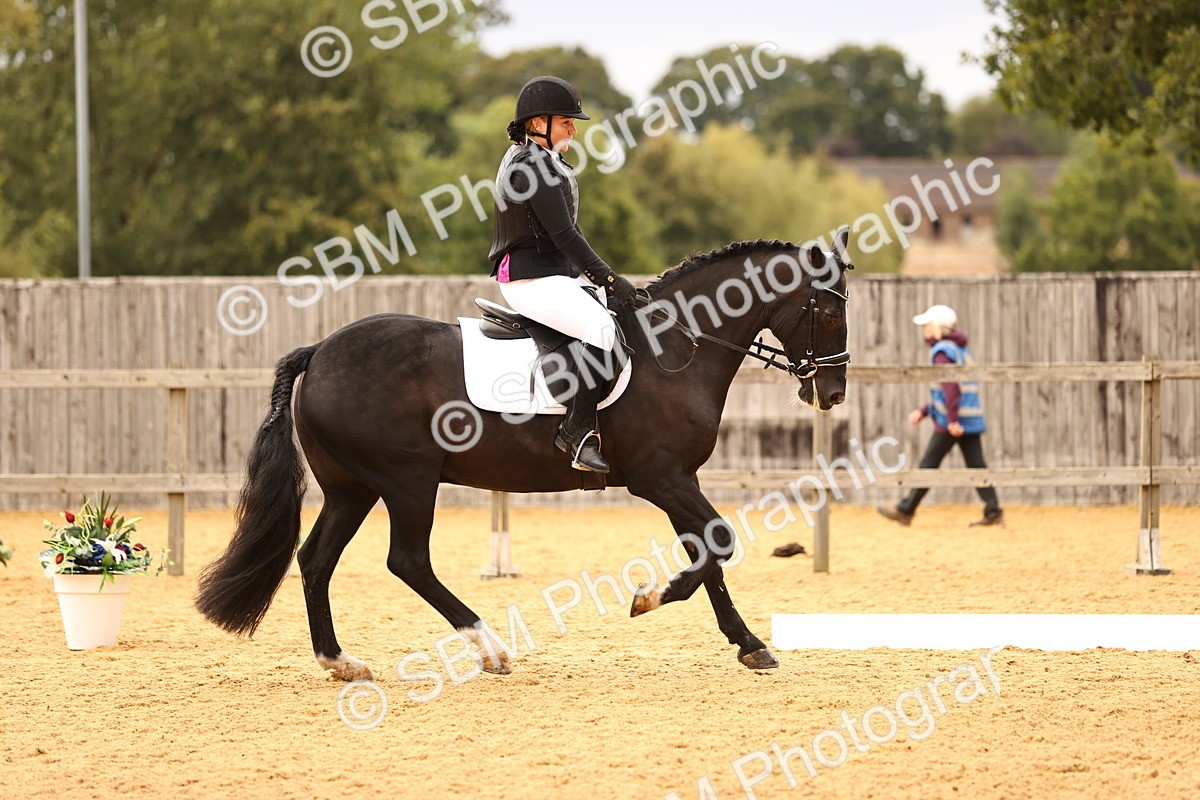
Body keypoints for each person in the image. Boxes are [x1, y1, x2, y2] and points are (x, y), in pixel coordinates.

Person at [488, 76, 638, 474]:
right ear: (538, 124)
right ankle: (577, 432)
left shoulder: (542, 160)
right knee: (602, 332)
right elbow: (565, 234)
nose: (574, 129)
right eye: (567, 122)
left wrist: (600, 278)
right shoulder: (531, 167)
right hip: (529, 280)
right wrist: (609, 279)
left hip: (553, 275)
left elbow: (568, 236)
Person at [877, 304, 1005, 527]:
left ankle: (905, 510)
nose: (924, 329)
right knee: (977, 466)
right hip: (968, 418)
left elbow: (951, 388)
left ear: (938, 327)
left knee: (928, 464)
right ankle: (993, 511)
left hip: (951, 421)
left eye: (927, 325)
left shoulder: (942, 352)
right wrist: (925, 411)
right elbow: (948, 390)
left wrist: (952, 420)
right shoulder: (961, 350)